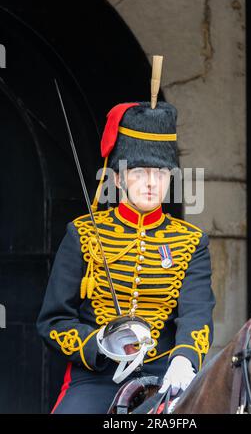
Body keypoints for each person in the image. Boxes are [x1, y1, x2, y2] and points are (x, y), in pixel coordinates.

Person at [36, 100, 216, 414]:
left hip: (165, 375)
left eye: (160, 173)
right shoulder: (83, 234)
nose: (151, 182)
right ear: (118, 179)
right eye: (140, 172)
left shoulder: (191, 241)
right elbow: (53, 320)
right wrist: (99, 344)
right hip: (97, 377)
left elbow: (196, 313)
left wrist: (184, 360)